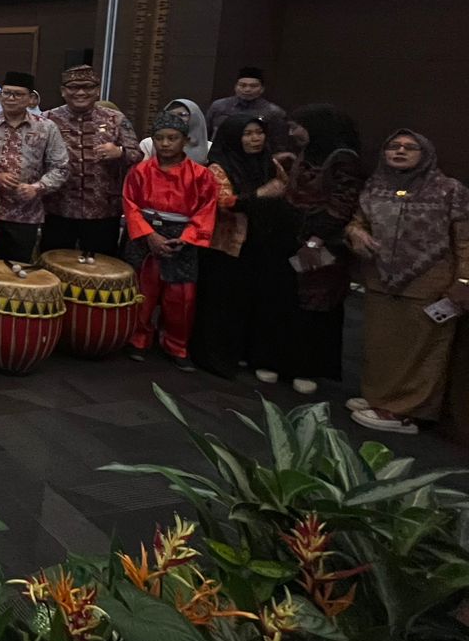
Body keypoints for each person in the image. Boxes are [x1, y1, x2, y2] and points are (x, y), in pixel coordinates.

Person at [347, 131, 469, 434]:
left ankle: (406, 412)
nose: (400, 151)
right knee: (381, 345)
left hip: (430, 284)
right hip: (381, 280)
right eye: (393, 146)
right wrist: (355, 233)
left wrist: (465, 280)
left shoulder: (449, 190)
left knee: (421, 349)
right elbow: (356, 220)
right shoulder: (375, 186)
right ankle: (380, 398)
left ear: (424, 153)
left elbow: (465, 241)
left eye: (409, 147)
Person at [191, 115, 298, 380]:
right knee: (221, 302)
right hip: (226, 245)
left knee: (251, 301)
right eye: (247, 134)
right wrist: (259, 196)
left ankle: (245, 352)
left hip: (261, 243)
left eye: (259, 133)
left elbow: (285, 191)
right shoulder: (218, 166)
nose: (254, 139)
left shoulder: (270, 163)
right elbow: (222, 201)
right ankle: (215, 356)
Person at [122, 110, 218, 370]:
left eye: (172, 138)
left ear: (185, 141)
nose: (165, 144)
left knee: (181, 298)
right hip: (146, 235)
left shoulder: (201, 176)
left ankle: (177, 344)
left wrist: (187, 238)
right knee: (143, 291)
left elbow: (206, 209)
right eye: (160, 138)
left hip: (182, 238)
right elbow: (130, 205)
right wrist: (149, 235)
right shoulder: (140, 172)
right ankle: (138, 339)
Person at [281, 106, 365, 395]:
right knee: (293, 300)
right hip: (298, 235)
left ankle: (309, 368)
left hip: (322, 243)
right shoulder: (310, 153)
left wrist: (317, 238)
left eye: (296, 127)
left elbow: (343, 204)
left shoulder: (343, 159)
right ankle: (289, 363)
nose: (292, 134)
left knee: (316, 304)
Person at [42, 65, 141, 258]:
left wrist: (120, 152)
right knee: (53, 263)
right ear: (63, 91)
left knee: (100, 269)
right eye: (73, 87)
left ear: (97, 90)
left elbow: (137, 154)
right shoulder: (48, 119)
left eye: (87, 87)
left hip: (102, 210)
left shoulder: (115, 118)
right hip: (58, 208)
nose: (80, 92)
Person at [0, 72, 68, 263]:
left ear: (30, 98)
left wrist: (37, 188)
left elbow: (61, 167)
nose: (11, 98)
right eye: (6, 93)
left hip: (26, 214)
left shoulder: (46, 127)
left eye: (17, 94)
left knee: (18, 271)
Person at [206, 67, 288, 145]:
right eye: (242, 85)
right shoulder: (219, 106)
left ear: (262, 89)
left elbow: (279, 141)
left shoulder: (273, 111)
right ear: (235, 87)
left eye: (253, 86)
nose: (247, 89)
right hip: (219, 154)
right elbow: (206, 133)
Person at [139, 99, 210, 162]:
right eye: (171, 114)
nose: (176, 118)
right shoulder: (148, 144)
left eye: (182, 114)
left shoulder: (209, 147)